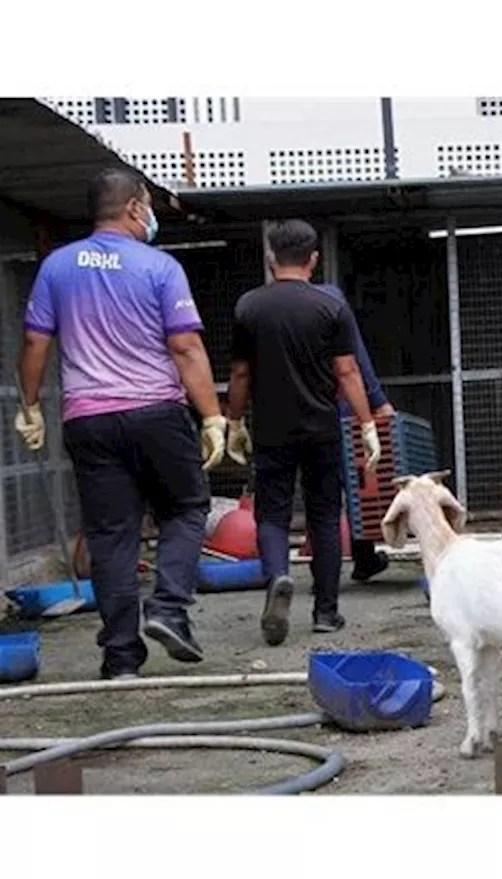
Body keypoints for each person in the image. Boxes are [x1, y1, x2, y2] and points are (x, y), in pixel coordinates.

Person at [13, 167, 227, 680]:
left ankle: (122, 657)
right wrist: (213, 416)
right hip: (155, 411)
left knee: (111, 534)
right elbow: (185, 345)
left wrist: (31, 406)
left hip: (89, 419)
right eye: (149, 204)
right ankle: (169, 608)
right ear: (134, 207)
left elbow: (35, 343)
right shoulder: (159, 266)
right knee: (187, 505)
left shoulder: (57, 267)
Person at [224, 219, 380, 646]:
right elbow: (347, 370)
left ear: (271, 257)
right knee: (325, 517)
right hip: (323, 428)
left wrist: (234, 421)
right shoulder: (330, 307)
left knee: (271, 514)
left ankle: (278, 576)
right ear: (313, 258)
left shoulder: (249, 307)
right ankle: (326, 612)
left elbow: (240, 373)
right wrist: (367, 423)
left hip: (272, 429)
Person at [313, 281, 395, 583]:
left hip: (292, 412)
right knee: (357, 478)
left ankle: (322, 574)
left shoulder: (263, 305)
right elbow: (352, 361)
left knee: (319, 495)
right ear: (311, 258)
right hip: (338, 405)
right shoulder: (331, 299)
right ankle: (363, 556)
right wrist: (376, 402)